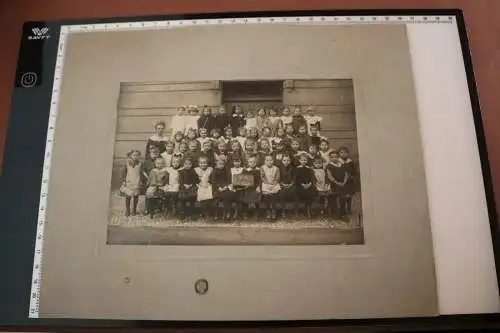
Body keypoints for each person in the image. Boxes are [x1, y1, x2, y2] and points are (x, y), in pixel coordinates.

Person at [326, 150, 349, 221]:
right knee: (335, 196)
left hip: (343, 183)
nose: (334, 158)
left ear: (338, 157)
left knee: (343, 197)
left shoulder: (342, 164)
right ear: (330, 158)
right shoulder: (329, 166)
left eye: (336, 157)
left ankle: (343, 213)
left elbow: (346, 174)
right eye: (332, 157)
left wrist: (344, 182)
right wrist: (337, 183)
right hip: (334, 184)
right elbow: (330, 177)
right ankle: (337, 213)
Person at [120, 150, 143, 217]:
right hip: (129, 182)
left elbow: (141, 172)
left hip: (136, 182)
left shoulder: (140, 163)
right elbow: (123, 172)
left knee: (136, 197)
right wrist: (123, 180)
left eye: (137, 155)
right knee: (128, 197)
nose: (135, 157)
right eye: (134, 155)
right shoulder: (127, 163)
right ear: (130, 155)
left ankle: (134, 210)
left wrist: (142, 180)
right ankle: (128, 210)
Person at [295, 153, 317, 218]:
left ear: (307, 161)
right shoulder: (297, 169)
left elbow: (312, 178)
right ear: (299, 160)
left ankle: (307, 209)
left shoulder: (309, 169)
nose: (303, 161)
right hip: (300, 185)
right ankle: (307, 210)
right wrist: (303, 185)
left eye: (305, 160)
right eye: (302, 160)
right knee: (306, 193)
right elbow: (297, 179)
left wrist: (310, 184)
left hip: (308, 184)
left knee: (312, 192)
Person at [240, 155, 261, 219]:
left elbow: (260, 179)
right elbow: (242, 179)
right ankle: (245, 212)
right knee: (244, 194)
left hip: (255, 187)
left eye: (253, 162)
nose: (252, 163)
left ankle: (256, 212)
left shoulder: (258, 170)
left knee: (256, 194)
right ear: (248, 163)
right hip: (247, 187)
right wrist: (244, 185)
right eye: (250, 162)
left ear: (256, 163)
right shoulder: (245, 170)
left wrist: (258, 186)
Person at [260, 155, 281, 220]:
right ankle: (268, 210)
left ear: (273, 161)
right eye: (267, 160)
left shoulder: (276, 168)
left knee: (273, 196)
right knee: (267, 196)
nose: (269, 162)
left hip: (274, 184)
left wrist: (273, 183)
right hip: (266, 184)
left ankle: (274, 210)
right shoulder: (262, 168)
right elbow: (262, 177)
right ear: (264, 161)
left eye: (271, 160)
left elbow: (277, 177)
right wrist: (268, 183)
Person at [338, 146, 357, 215]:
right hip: (341, 181)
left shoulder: (350, 162)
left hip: (349, 181)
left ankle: (349, 208)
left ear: (348, 154)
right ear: (339, 154)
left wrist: (352, 176)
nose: (343, 154)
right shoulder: (338, 161)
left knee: (349, 196)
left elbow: (354, 171)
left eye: (345, 153)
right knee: (342, 196)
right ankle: (342, 209)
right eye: (341, 152)